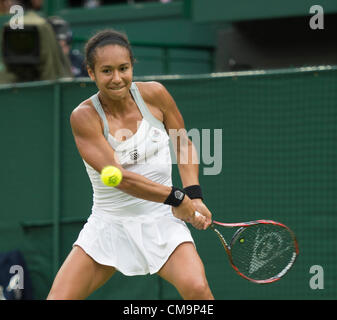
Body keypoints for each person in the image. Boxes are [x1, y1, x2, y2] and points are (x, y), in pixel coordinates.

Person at [47, 29, 214, 300]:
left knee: (197, 289)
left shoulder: (156, 95)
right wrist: (176, 197)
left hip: (162, 220)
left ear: (132, 66)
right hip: (109, 224)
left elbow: (182, 144)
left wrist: (193, 194)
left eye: (123, 68)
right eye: (106, 71)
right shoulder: (84, 117)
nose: (117, 79)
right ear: (91, 73)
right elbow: (121, 178)